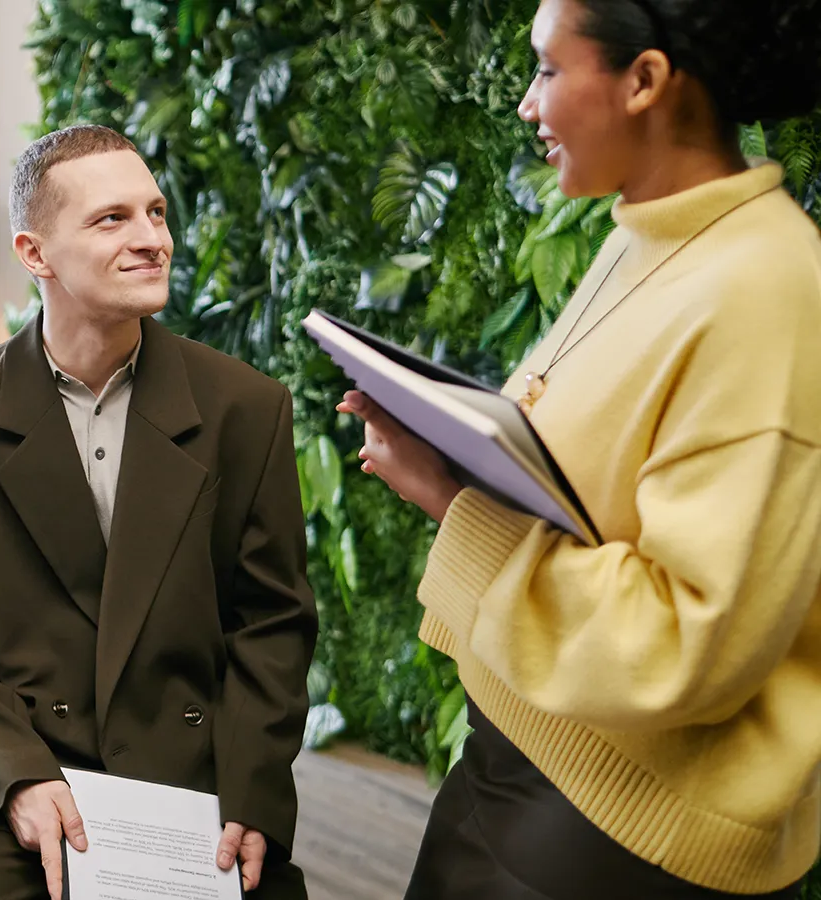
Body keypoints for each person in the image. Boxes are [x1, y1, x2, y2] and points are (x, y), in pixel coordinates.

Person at [340, 1, 821, 897]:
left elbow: (686, 641)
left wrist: (454, 501)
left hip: (613, 842)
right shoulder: (650, 235)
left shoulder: (765, 290)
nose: (527, 105)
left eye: (548, 71)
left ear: (643, 80)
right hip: (524, 777)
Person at [0, 124, 317, 900]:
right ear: (35, 253)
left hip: (191, 776)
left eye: (156, 213)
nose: (152, 238)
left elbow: (273, 625)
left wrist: (252, 792)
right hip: (25, 760)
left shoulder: (247, 409)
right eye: (112, 218)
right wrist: (17, 776)